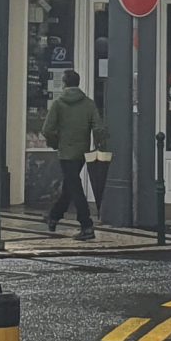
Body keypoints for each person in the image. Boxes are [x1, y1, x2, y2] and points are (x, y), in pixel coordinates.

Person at [40, 69, 109, 240]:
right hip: (82, 152)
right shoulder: (89, 104)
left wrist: (55, 143)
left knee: (75, 187)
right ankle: (54, 215)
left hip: (65, 152)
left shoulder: (58, 104)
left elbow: (47, 129)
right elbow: (98, 127)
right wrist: (100, 143)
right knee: (70, 186)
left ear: (64, 84)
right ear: (78, 83)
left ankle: (86, 225)